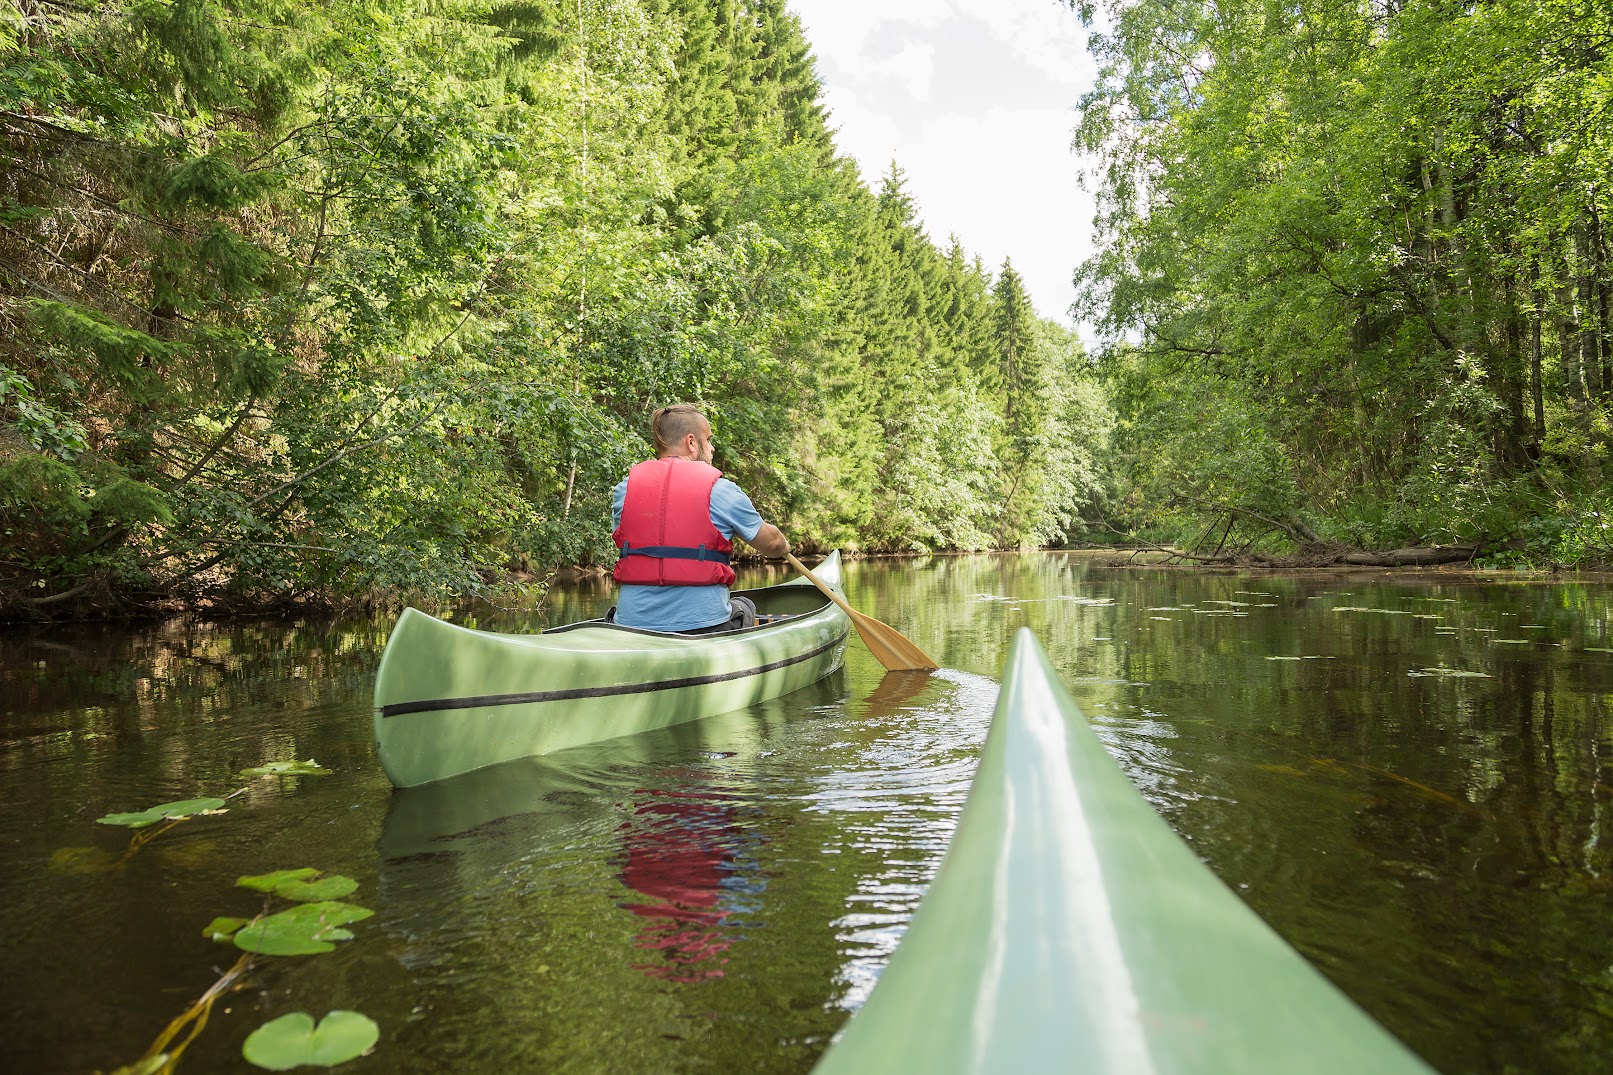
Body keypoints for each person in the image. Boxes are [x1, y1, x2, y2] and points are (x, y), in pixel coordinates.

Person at [610, 404, 791, 633]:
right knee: (745, 606)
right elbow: (772, 543)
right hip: (704, 627)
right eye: (709, 439)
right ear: (692, 442)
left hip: (631, 625)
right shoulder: (720, 489)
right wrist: (784, 545)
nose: (713, 448)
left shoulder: (624, 490)